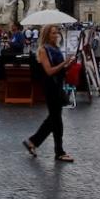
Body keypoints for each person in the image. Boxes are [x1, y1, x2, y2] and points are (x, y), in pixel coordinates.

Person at [22, 25, 75, 163]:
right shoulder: (43, 50)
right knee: (56, 120)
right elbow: (49, 71)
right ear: (46, 34)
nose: (56, 35)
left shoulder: (55, 48)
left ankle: (33, 142)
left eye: (57, 32)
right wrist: (64, 62)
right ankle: (59, 152)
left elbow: (60, 70)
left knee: (53, 119)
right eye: (53, 33)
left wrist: (69, 64)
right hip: (50, 87)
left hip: (57, 85)